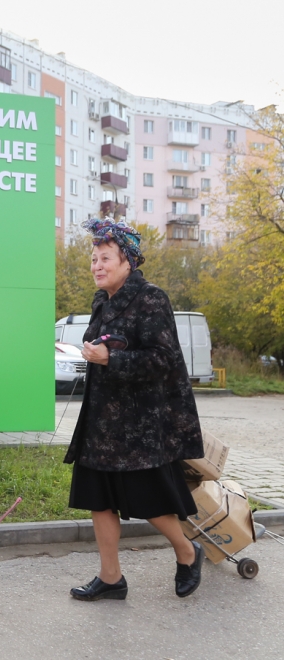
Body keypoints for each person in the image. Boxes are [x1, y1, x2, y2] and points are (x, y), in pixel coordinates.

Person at [64, 218, 206, 601]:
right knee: (98, 498)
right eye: (93, 258)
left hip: (140, 424)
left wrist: (110, 359)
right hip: (100, 420)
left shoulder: (151, 298)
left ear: (128, 261)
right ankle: (111, 579)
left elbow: (164, 359)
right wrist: (97, 354)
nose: (96, 265)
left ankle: (188, 552)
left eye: (104, 257)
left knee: (148, 500)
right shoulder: (102, 301)